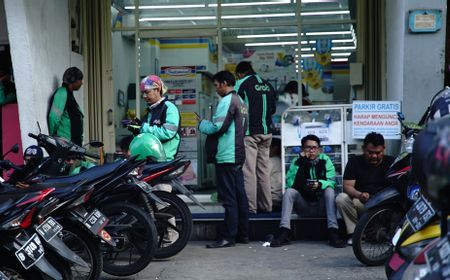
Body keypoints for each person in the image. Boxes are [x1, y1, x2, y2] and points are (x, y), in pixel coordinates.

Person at [199, 70, 249, 249]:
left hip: (227, 155)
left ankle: (228, 237)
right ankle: (243, 234)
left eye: (216, 85)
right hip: (237, 153)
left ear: (224, 83)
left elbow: (217, 127)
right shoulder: (241, 101)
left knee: (229, 198)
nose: (215, 89)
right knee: (239, 196)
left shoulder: (227, 101)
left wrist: (202, 124)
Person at [270, 134, 345, 248]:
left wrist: (320, 184)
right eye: (308, 147)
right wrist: (303, 162)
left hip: (321, 206)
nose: (311, 150)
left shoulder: (325, 160)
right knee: (289, 192)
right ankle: (284, 231)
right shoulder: (297, 161)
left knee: (329, 190)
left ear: (319, 149)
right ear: (302, 149)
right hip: (303, 206)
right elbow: (292, 184)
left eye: (314, 147)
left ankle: (333, 231)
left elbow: (332, 181)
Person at [336, 132, 395, 245]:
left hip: (384, 206)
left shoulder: (391, 162)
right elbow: (347, 186)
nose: (374, 156)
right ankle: (355, 235)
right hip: (363, 203)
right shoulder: (354, 161)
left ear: (384, 149)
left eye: (378, 153)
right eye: (370, 152)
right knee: (341, 198)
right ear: (363, 149)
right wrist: (359, 195)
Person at [235, 61, 276, 214]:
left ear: (239, 74)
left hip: (250, 133)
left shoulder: (241, 84)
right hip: (267, 133)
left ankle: (251, 208)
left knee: (249, 171)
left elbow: (234, 107)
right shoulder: (267, 85)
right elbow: (272, 109)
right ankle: (267, 206)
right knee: (264, 171)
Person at [132, 75, 180, 161]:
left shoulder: (169, 108)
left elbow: (168, 133)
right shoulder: (149, 110)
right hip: (148, 159)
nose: (144, 96)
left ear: (157, 90)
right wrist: (137, 131)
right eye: (142, 93)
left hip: (164, 159)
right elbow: (147, 137)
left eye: (147, 92)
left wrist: (143, 127)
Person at [47, 67, 84, 146]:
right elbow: (53, 117)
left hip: (72, 143)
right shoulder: (62, 93)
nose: (81, 83)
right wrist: (54, 138)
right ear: (73, 81)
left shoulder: (69, 94)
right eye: (80, 80)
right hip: (66, 143)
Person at [269, 137, 282, 208]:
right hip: (281, 198)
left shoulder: (270, 161)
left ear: (275, 148)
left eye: (268, 147)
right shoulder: (282, 161)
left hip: (272, 199)